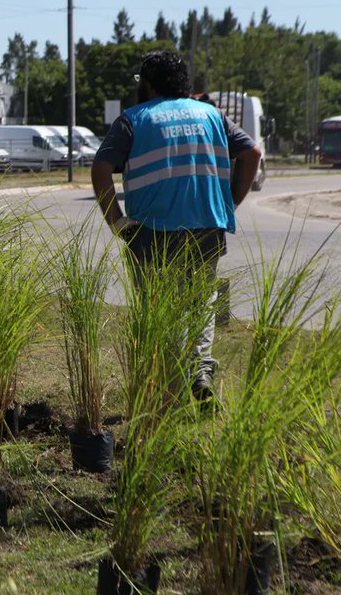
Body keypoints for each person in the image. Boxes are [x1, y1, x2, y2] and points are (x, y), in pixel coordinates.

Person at [90, 50, 262, 400]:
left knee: (159, 307)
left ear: (149, 84)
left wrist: (117, 223)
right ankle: (200, 373)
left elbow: (101, 168)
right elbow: (252, 154)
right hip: (206, 225)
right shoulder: (212, 116)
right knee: (201, 302)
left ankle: (170, 390)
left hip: (151, 231)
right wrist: (231, 202)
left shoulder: (133, 119)